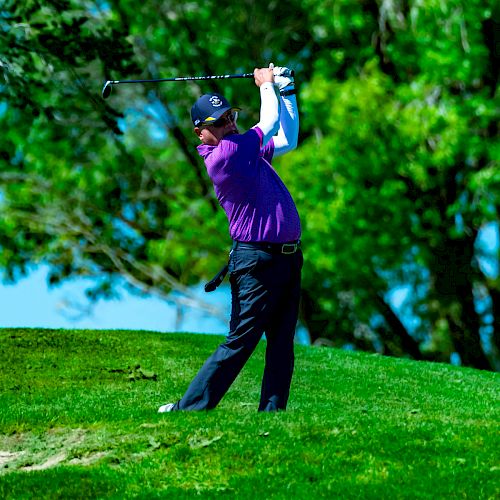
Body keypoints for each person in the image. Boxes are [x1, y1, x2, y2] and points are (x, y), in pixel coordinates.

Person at [158, 64, 302, 413]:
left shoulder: (245, 152)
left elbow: (287, 139)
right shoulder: (224, 155)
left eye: (230, 117)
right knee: (241, 340)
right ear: (200, 132)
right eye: (220, 122)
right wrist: (267, 86)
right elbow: (267, 125)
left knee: (282, 342)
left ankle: (273, 415)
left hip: (286, 257)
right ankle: (189, 407)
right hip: (255, 261)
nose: (229, 125)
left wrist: (287, 91)